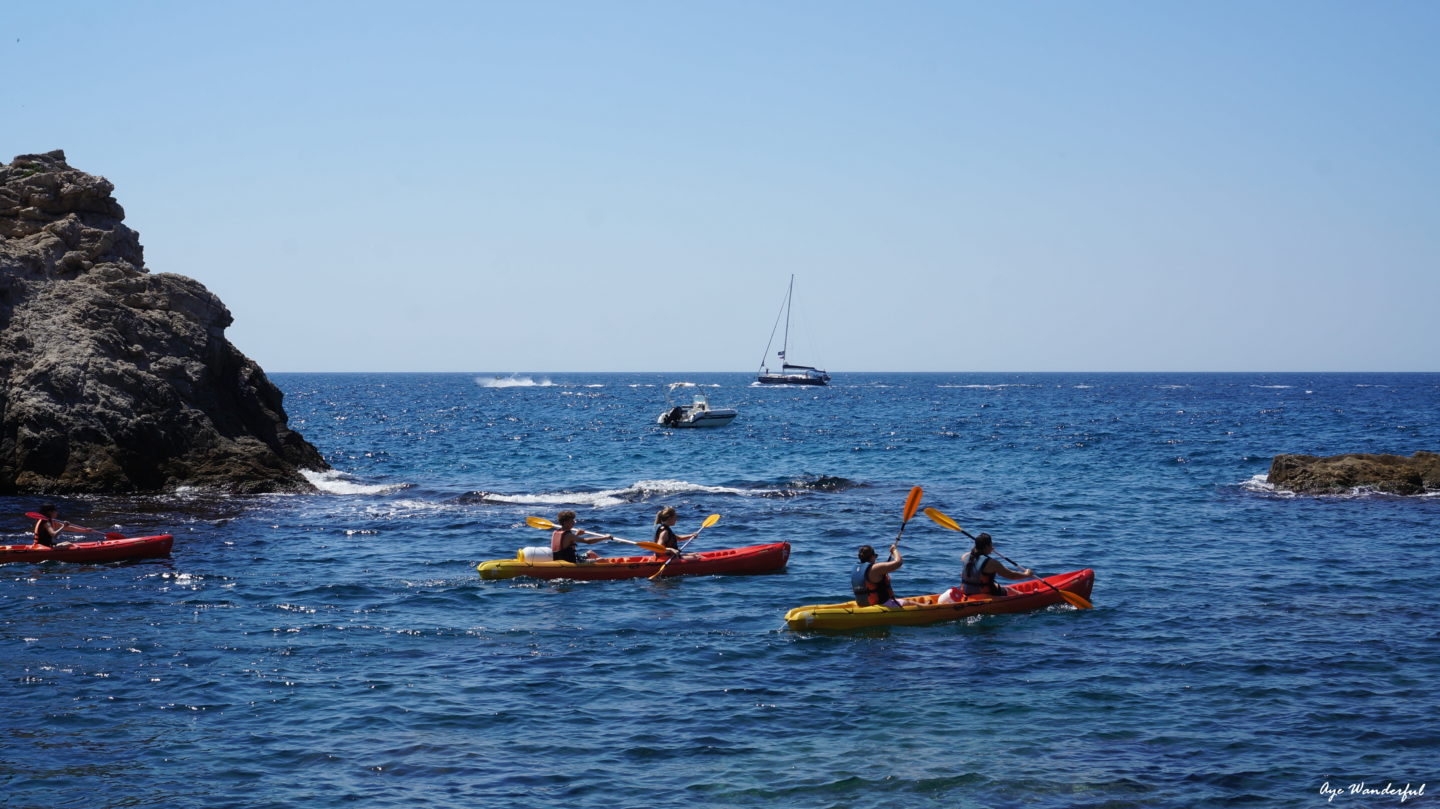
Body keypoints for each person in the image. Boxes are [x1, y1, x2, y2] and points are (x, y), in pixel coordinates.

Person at [957, 532, 1033, 597]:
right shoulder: (992, 563)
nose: (992, 547)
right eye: (991, 545)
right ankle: (1027, 599)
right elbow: (1012, 575)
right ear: (986, 546)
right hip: (984, 594)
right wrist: (1027, 574)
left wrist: (988, 549)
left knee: (995, 585)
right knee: (1009, 590)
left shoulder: (965, 556)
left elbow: (975, 556)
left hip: (966, 592)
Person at [852, 543, 905, 607]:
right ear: (872, 556)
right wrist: (894, 550)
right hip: (881, 605)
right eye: (876, 556)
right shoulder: (875, 568)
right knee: (911, 603)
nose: (876, 558)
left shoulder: (857, 569)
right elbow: (898, 563)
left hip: (862, 605)